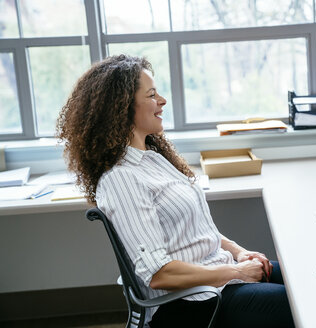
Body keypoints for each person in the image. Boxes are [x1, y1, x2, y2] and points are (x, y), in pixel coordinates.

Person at [56, 54, 294, 328]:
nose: (162, 101)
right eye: (152, 95)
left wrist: (239, 252)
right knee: (302, 303)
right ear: (122, 107)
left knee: (305, 279)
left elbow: (194, 229)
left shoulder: (154, 159)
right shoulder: (122, 179)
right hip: (192, 303)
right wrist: (236, 271)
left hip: (217, 278)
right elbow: (159, 275)